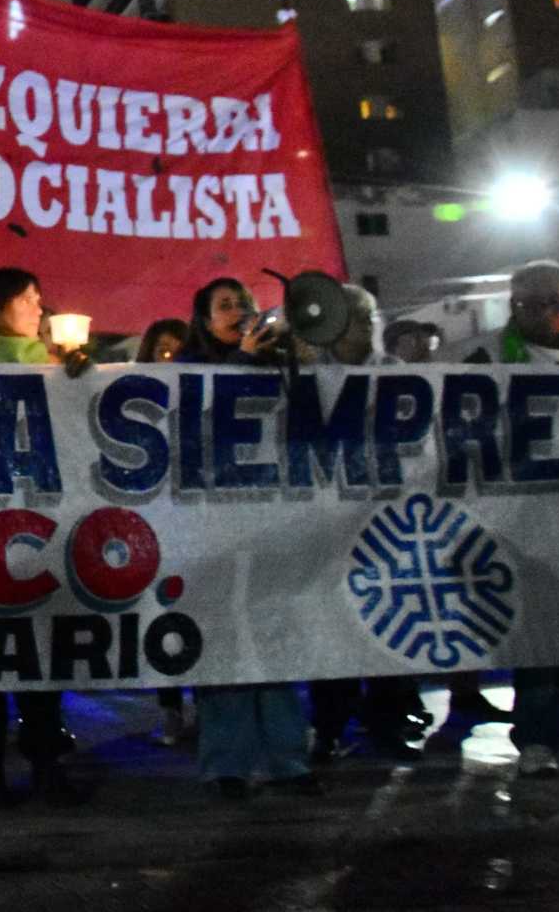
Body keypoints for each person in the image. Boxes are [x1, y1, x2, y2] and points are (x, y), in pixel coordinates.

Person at [177, 278, 320, 799]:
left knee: (276, 641)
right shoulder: (184, 368)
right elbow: (195, 421)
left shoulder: (281, 362)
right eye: (224, 305)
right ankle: (227, 766)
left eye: (243, 303)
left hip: (273, 522)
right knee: (222, 649)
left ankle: (289, 760)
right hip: (212, 526)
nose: (237, 311)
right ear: (204, 319)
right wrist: (240, 361)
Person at [460, 260, 559, 777]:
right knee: (544, 633)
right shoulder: (484, 356)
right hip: (529, 524)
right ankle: (537, 737)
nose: (537, 314)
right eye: (523, 304)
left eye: (548, 303)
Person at [0, 268, 85, 803]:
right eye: (26, 298)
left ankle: (45, 762)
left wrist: (86, 381)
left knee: (42, 655)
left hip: (45, 527)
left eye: (40, 296)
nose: (39, 306)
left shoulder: (62, 366)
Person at [306, 286, 429, 763]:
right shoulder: (309, 376)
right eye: (350, 319)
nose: (361, 327)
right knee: (331, 636)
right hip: (327, 527)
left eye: (365, 318)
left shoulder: (397, 376)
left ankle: (387, 724)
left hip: (385, 528)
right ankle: (330, 727)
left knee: (388, 635)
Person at [132, 318, 191, 745]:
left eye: (178, 350)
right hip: (154, 529)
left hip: (194, 527)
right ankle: (169, 708)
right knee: (163, 623)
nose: (168, 358)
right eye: (161, 350)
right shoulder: (129, 404)